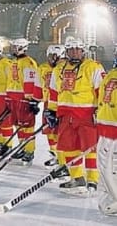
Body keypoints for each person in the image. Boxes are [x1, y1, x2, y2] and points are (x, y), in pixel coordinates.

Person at [47, 38, 105, 194]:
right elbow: (53, 92)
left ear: (83, 51)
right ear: (66, 52)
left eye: (78, 49)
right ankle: (77, 178)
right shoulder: (58, 70)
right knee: (69, 148)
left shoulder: (93, 67)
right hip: (65, 115)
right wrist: (51, 110)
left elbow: (102, 91)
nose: (75, 52)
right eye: (71, 50)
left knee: (89, 148)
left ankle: (93, 179)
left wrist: (101, 111)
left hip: (86, 116)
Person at [5, 38, 39, 164]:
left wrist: (30, 99)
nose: (13, 49)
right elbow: (10, 80)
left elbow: (30, 82)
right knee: (18, 125)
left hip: (24, 98)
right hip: (14, 98)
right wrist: (8, 97)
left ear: (21, 47)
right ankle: (22, 147)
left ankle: (29, 150)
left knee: (27, 127)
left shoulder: (28, 63)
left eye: (15, 47)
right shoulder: (14, 62)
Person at [33, 45, 66, 167]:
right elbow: (38, 85)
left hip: (63, 104)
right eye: (50, 56)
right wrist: (35, 100)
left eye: (55, 56)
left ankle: (64, 159)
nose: (52, 59)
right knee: (50, 131)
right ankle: (55, 155)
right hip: (49, 103)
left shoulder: (66, 68)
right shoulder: (43, 68)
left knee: (61, 132)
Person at [96, 67, 117, 216]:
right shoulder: (111, 74)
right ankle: (110, 201)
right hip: (106, 130)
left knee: (112, 170)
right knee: (105, 170)